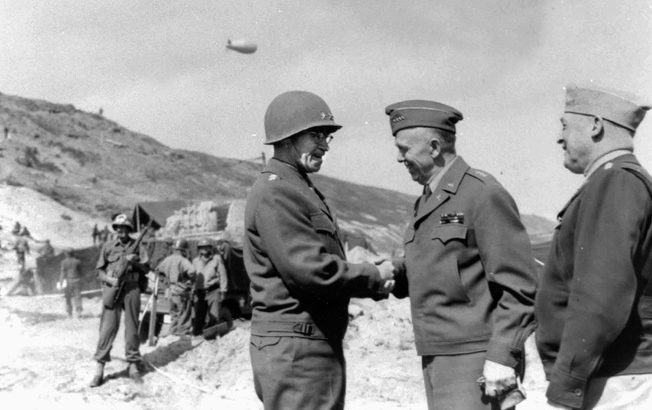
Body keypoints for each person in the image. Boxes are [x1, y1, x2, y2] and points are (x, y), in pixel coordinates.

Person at [244, 90, 395, 410]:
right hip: (299, 350)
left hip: (307, 345)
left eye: (327, 136)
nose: (325, 145)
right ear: (287, 137)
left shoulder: (297, 187)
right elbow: (311, 271)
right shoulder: (279, 192)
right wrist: (374, 275)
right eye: (316, 135)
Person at [384, 99, 538, 409]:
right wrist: (394, 272)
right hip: (438, 353)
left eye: (404, 149)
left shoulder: (482, 193)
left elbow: (519, 286)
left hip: (474, 357)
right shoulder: (427, 200)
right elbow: (439, 267)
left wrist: (502, 356)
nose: (398, 158)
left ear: (434, 146)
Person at [535, 85, 652, 410]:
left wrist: (566, 385)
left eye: (564, 126)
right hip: (611, 373)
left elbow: (600, 295)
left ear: (596, 126)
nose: (560, 138)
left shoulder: (614, 182)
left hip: (611, 381)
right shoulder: (616, 180)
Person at [90, 214, 149, 387]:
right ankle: (99, 369)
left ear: (129, 230)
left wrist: (136, 261)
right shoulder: (108, 246)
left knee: (132, 328)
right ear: (115, 229)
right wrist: (109, 280)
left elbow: (147, 268)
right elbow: (99, 271)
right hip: (113, 288)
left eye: (124, 228)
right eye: (118, 228)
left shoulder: (138, 247)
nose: (121, 230)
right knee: (107, 328)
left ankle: (133, 366)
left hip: (132, 288)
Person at [156, 238, 195, 336]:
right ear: (184, 249)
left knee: (173, 314)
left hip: (170, 290)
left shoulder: (167, 259)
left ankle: (173, 333)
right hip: (181, 290)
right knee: (184, 313)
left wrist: (165, 282)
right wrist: (189, 281)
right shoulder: (183, 260)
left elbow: (158, 271)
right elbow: (192, 271)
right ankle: (182, 334)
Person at [191, 239, 228, 333]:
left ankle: (213, 338)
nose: (204, 249)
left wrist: (223, 291)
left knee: (214, 317)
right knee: (199, 317)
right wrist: (192, 291)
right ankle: (197, 337)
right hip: (199, 293)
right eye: (201, 247)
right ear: (198, 249)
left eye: (206, 247)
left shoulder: (217, 259)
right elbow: (192, 277)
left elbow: (223, 275)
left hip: (213, 291)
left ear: (210, 248)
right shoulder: (195, 261)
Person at [59, 248, 82, 318]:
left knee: (68, 297)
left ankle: (69, 314)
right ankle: (79, 313)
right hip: (77, 280)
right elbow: (81, 272)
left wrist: (61, 281)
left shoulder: (63, 262)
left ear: (66, 254)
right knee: (77, 297)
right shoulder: (77, 262)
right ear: (73, 253)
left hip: (68, 281)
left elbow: (62, 273)